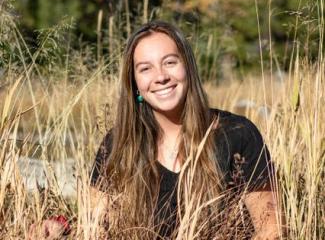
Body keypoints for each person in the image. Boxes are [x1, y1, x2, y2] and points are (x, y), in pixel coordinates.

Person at [29, 21, 281, 239]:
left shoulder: (238, 134)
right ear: (135, 84)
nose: (160, 76)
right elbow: (93, 226)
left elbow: (272, 231)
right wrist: (60, 227)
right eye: (145, 68)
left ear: (188, 69)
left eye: (170, 62)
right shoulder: (119, 144)